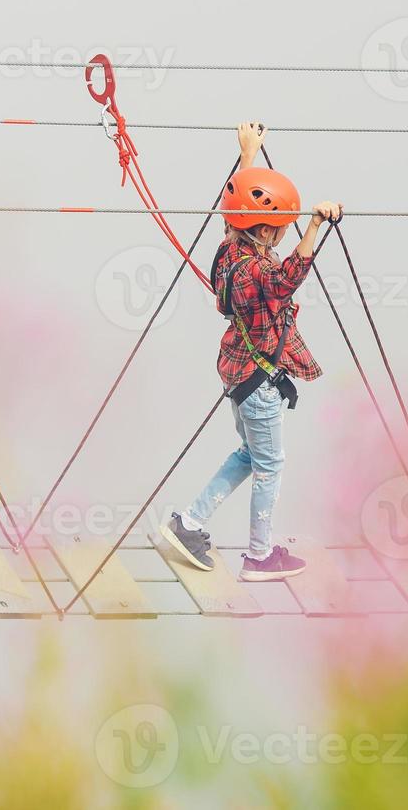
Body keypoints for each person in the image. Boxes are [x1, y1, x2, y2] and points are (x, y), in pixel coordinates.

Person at [161, 123, 342, 579]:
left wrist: (248, 155)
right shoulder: (257, 271)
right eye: (278, 229)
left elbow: (236, 211)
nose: (282, 236)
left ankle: (189, 522)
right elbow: (288, 279)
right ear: (262, 231)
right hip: (256, 382)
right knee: (271, 466)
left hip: (239, 373)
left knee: (249, 454)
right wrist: (317, 224)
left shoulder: (229, 249)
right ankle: (260, 556)